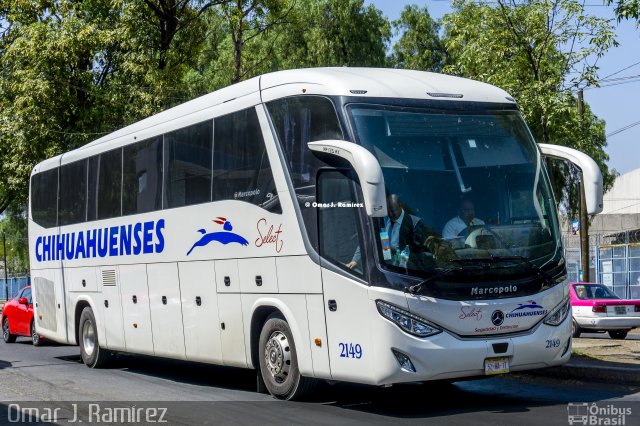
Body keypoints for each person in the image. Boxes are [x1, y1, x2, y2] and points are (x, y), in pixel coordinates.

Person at [346, 194, 440, 270]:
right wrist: (355, 260)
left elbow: (425, 255)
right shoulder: (381, 220)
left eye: (393, 211)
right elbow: (367, 239)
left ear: (400, 206)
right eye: (388, 211)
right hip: (384, 268)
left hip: (406, 272)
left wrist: (397, 252)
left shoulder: (415, 224)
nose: (390, 214)